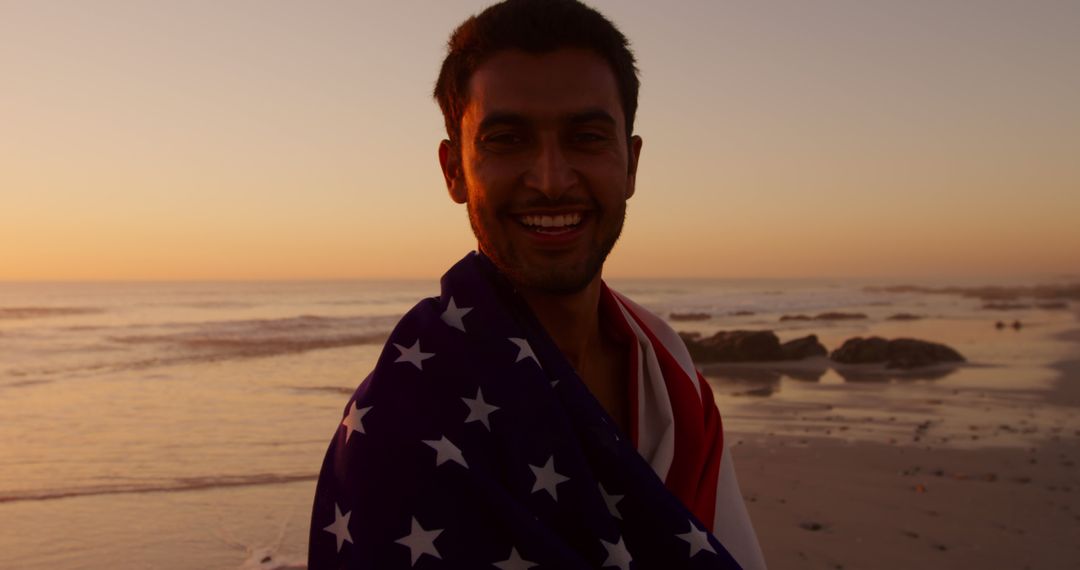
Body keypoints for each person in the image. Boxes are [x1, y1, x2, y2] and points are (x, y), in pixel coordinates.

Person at [308, 1, 765, 568]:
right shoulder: (403, 418)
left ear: (632, 165)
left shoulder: (668, 375)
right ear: (454, 171)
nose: (551, 181)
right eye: (508, 140)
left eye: (587, 137)